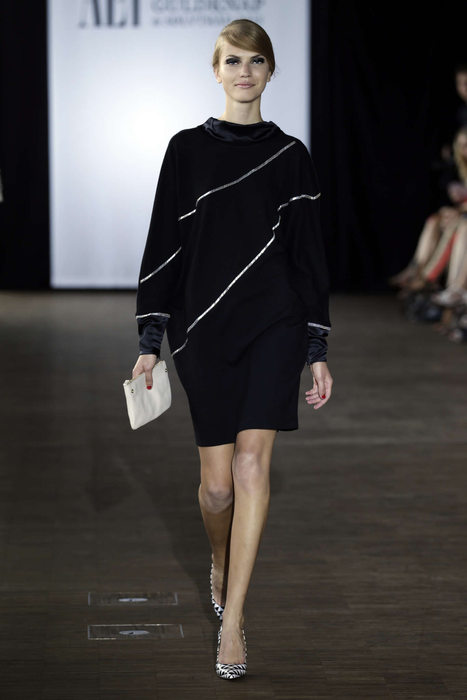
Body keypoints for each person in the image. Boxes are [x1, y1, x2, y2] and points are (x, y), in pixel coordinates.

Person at [131, 19, 333, 680]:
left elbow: (307, 256)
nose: (244, 72)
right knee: (217, 490)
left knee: (251, 468)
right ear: (215, 71)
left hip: (274, 324)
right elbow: (164, 243)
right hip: (204, 329)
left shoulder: (291, 154)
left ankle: (234, 620)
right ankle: (218, 558)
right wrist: (150, 339)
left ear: (270, 70)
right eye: (232, 61)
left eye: (255, 61)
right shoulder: (186, 150)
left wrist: (315, 346)